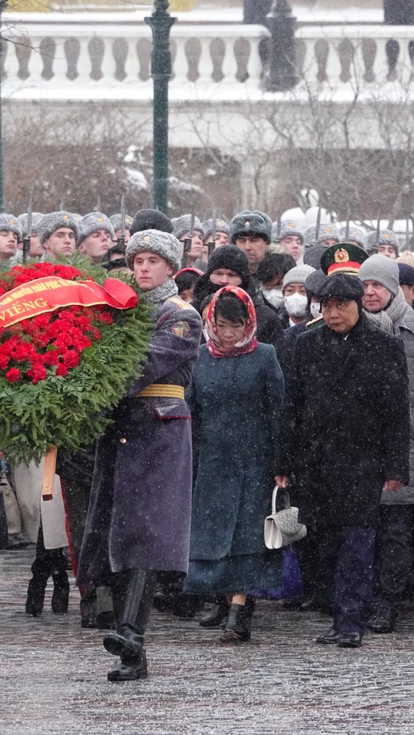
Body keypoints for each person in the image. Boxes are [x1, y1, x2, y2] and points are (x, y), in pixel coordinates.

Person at [77, 228, 201, 681]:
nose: (143, 268)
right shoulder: (122, 313)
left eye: (153, 261)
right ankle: (128, 639)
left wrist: (85, 381)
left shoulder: (181, 315)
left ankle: (132, 635)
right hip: (122, 429)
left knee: (148, 534)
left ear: (170, 267)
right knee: (119, 530)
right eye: (138, 261)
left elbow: (139, 365)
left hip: (159, 431)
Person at [274, 270, 411, 648]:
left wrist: (395, 467)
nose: (333, 314)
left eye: (341, 306)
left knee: (358, 541)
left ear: (357, 306)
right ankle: (337, 614)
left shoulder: (384, 347)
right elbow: (293, 407)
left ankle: (352, 619)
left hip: (362, 461)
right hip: (316, 461)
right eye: (327, 306)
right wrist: (283, 462)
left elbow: (396, 413)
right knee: (323, 542)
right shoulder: (306, 344)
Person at [184, 286, 285, 642]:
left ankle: (240, 609)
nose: (229, 334)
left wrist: (280, 462)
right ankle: (228, 602)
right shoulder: (199, 358)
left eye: (237, 326)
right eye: (223, 325)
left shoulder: (265, 356)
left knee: (247, 538)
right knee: (214, 538)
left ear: (249, 324)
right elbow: (191, 413)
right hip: (211, 462)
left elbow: (278, 412)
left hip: (254, 462)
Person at [358, 255, 414, 629]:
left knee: (396, 532)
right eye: (364, 285)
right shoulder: (351, 326)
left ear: (395, 288)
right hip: (360, 451)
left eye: (377, 285)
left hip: (405, 450)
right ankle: (358, 596)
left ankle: (387, 599)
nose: (370, 292)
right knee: (361, 531)